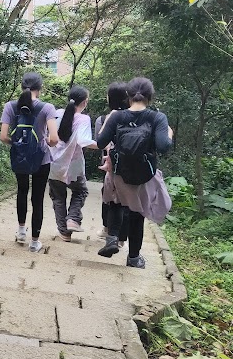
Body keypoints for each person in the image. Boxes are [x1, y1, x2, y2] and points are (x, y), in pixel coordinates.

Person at [95, 77, 173, 268]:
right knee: (138, 214)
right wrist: (169, 133)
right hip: (144, 175)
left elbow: (100, 142)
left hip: (120, 173)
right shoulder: (157, 117)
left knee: (116, 202)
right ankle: (133, 258)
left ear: (128, 96)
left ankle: (112, 238)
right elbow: (163, 146)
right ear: (150, 97)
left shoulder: (117, 116)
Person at [0, 72, 59, 253]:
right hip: (41, 159)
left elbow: (3, 137)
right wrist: (46, 141)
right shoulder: (47, 107)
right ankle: (34, 243)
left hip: (20, 157)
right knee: (38, 198)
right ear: (39, 89)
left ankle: (21, 232)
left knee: (22, 190)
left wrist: (18, 145)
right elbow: (54, 139)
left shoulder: (10, 106)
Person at [48, 86, 97, 242]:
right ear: (85, 102)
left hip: (54, 164)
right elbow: (83, 141)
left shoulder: (56, 114)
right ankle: (73, 219)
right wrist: (103, 144)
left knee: (58, 197)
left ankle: (64, 232)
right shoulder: (83, 119)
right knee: (80, 191)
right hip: (73, 167)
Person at [95, 82, 130, 246]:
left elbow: (100, 141)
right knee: (126, 200)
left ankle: (108, 230)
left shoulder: (102, 119)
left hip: (111, 164)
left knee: (109, 197)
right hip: (132, 164)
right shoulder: (135, 118)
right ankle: (122, 237)